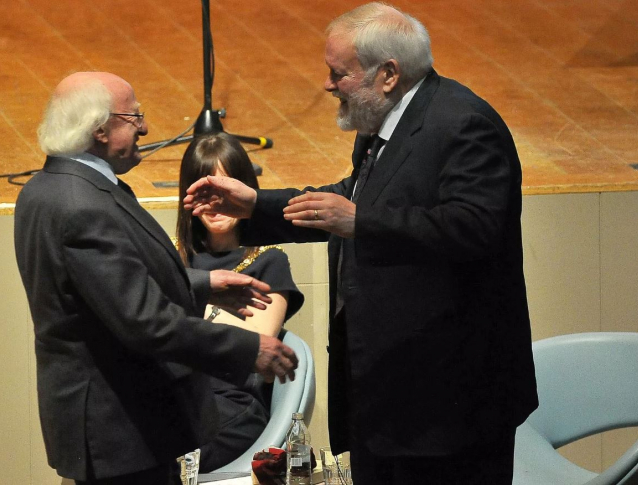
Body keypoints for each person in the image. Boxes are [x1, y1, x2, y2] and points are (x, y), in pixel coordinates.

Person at [184, 4, 538, 484]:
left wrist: (362, 221)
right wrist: (254, 206)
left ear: (388, 74)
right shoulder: (384, 124)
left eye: (339, 73)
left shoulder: (465, 124)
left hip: (450, 408)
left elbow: (475, 228)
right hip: (390, 401)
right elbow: (350, 201)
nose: (328, 85)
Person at [14, 72, 298, 485]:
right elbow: (143, 322)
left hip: (118, 423)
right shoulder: (83, 205)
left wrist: (204, 285)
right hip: (122, 427)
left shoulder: (45, 189)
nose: (145, 128)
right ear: (99, 128)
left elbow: (107, 290)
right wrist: (246, 347)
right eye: (134, 117)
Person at [175, 132, 305, 472]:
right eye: (205, 193)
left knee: (162, 459)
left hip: (231, 406)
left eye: (224, 191)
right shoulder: (174, 258)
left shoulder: (268, 261)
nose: (215, 205)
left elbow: (247, 349)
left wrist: (176, 324)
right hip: (180, 398)